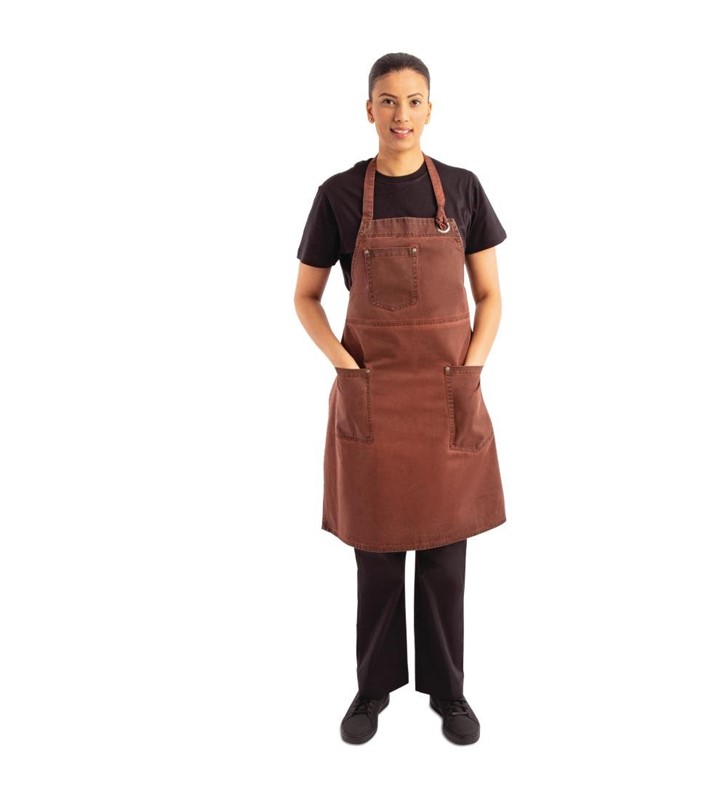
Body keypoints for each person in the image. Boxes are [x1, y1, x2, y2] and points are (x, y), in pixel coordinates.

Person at [293, 52, 508, 746]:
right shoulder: (338, 195)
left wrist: (472, 369)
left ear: (430, 110)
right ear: (369, 110)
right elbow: (305, 297)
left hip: (448, 393)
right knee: (378, 554)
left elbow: (490, 295)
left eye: (414, 101)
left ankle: (450, 693)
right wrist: (346, 366)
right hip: (374, 395)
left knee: (446, 557)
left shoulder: (465, 190)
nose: (401, 115)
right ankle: (371, 690)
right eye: (388, 101)